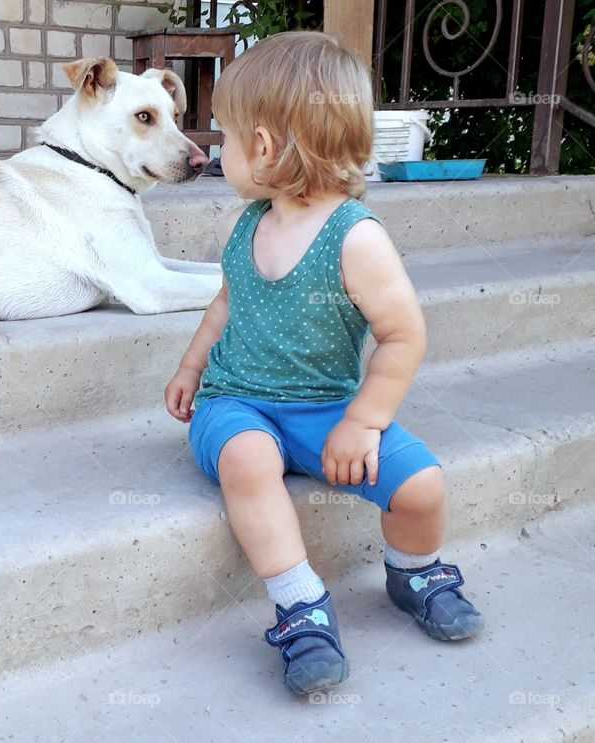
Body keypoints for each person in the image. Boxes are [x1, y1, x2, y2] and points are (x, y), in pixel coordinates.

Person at [164, 31, 483, 695]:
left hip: (329, 409)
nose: (216, 150)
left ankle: (414, 570)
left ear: (263, 146)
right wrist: (193, 367)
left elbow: (403, 336)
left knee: (421, 483)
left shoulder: (356, 237)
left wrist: (364, 423)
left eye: (223, 135)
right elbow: (227, 302)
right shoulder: (242, 225)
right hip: (236, 401)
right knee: (248, 459)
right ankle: (300, 604)